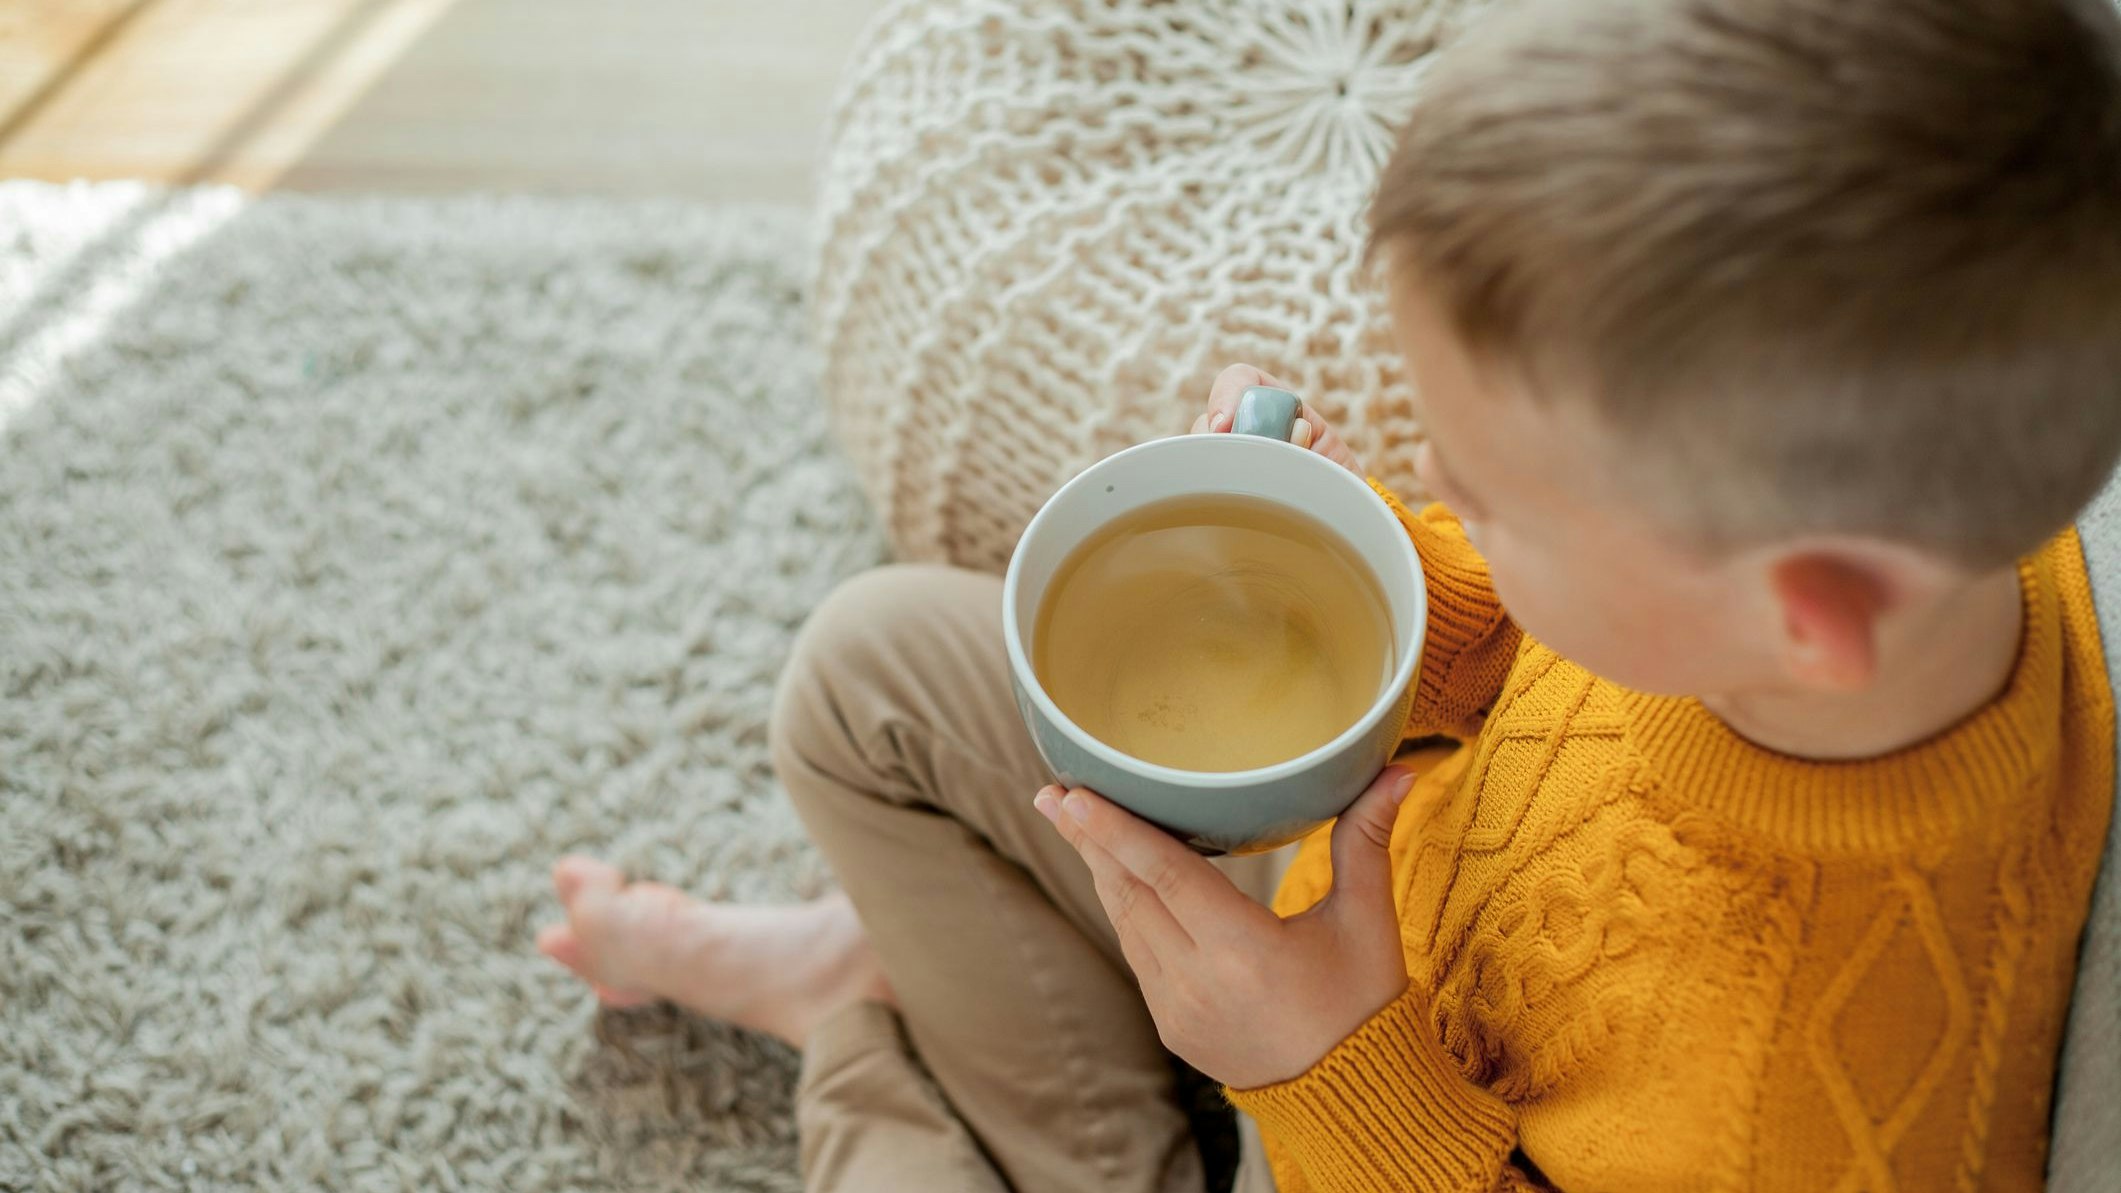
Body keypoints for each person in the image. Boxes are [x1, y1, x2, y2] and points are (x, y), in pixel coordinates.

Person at [535, 0, 2121, 1187]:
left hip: (1348, 1105)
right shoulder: (1870, 545)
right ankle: (920, 967)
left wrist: (1320, 1068)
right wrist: (1376, 555)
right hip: (1355, 899)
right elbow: (1535, 629)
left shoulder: (1804, 1093)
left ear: (1803, 616)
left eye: (1486, 491)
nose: (1452, 504)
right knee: (865, 668)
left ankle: (856, 1033)